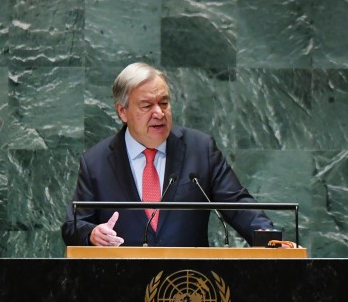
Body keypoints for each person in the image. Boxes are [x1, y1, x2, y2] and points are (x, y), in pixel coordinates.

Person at [61, 62, 276, 247]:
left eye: (164, 103)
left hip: (188, 283)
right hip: (121, 284)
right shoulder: (96, 162)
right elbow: (73, 226)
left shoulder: (200, 149)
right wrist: (92, 234)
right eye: (146, 105)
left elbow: (238, 204)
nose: (159, 113)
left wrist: (268, 238)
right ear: (122, 111)